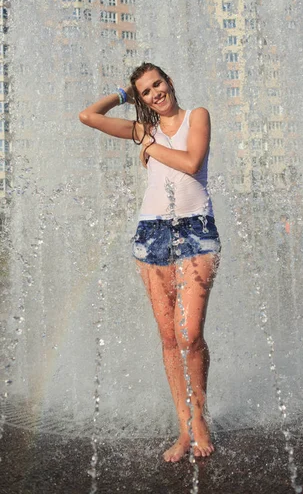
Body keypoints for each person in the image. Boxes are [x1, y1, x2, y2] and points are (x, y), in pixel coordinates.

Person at [79, 62, 221, 462]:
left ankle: (201, 418)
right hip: (152, 233)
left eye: (157, 83)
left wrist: (150, 148)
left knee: (190, 334)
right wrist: (123, 95)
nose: (155, 92)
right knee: (169, 339)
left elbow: (193, 162)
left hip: (197, 232)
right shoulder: (144, 128)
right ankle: (184, 429)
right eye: (145, 91)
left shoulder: (197, 116)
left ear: (169, 81)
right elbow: (88, 116)